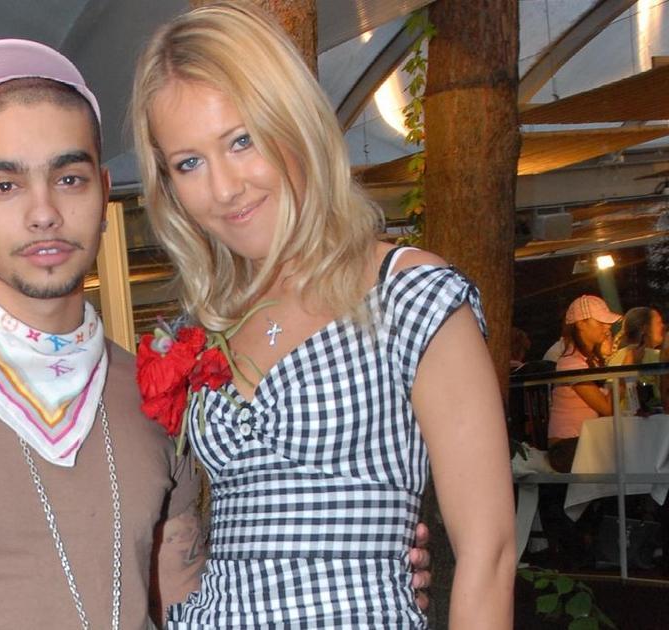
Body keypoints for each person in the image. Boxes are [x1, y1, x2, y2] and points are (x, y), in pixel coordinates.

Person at [0, 37, 433, 629]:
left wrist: (359, 562)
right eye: (4, 186)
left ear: (104, 192)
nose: (43, 213)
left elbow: (189, 602)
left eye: (69, 178)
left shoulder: (157, 393)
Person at [130, 2, 514, 628]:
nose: (224, 188)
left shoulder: (408, 294)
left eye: (241, 140)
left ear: (294, 122)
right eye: (189, 163)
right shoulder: (210, 322)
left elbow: (489, 555)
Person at [548, 295, 621, 472]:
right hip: (566, 446)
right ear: (581, 324)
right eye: (601, 322)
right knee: (627, 453)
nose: (607, 327)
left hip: (586, 440)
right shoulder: (570, 363)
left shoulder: (589, 361)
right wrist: (623, 369)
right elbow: (607, 408)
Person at [607, 306, 665, 413]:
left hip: (622, 420)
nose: (663, 326)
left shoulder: (615, 358)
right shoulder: (658, 357)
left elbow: (611, 398)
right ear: (645, 329)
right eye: (659, 323)